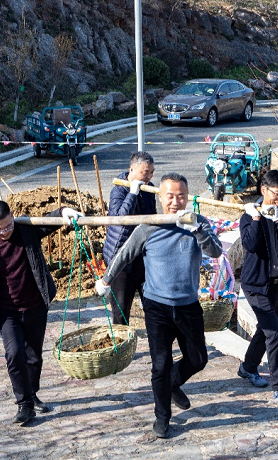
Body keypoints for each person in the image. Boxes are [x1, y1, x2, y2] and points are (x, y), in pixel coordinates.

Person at [95, 173, 222, 439]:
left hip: (188, 305)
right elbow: (124, 254)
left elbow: (216, 252)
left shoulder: (198, 222)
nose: (175, 202)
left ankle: (173, 384)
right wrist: (106, 279)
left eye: (181, 196)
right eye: (170, 196)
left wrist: (198, 231)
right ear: (160, 197)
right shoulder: (148, 226)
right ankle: (162, 417)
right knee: (160, 365)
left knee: (198, 359)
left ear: (187, 197)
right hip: (157, 307)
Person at [0, 200, 83, 426]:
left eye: (8, 226)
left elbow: (48, 222)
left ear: (13, 217)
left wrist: (63, 211)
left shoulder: (26, 231)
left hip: (35, 305)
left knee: (34, 356)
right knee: (14, 354)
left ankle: (32, 394)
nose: (4, 232)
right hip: (7, 311)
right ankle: (24, 404)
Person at [238, 170, 278, 399]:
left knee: (266, 329)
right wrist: (256, 218)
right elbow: (250, 245)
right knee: (274, 333)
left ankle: (248, 367)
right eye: (276, 193)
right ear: (263, 190)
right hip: (255, 286)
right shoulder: (248, 216)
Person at [102, 151, 157, 325]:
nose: (149, 176)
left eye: (151, 172)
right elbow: (121, 219)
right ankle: (121, 340)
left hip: (143, 257)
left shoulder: (149, 189)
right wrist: (132, 193)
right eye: (145, 172)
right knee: (121, 309)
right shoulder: (118, 190)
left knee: (152, 305)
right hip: (121, 259)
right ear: (132, 170)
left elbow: (152, 218)